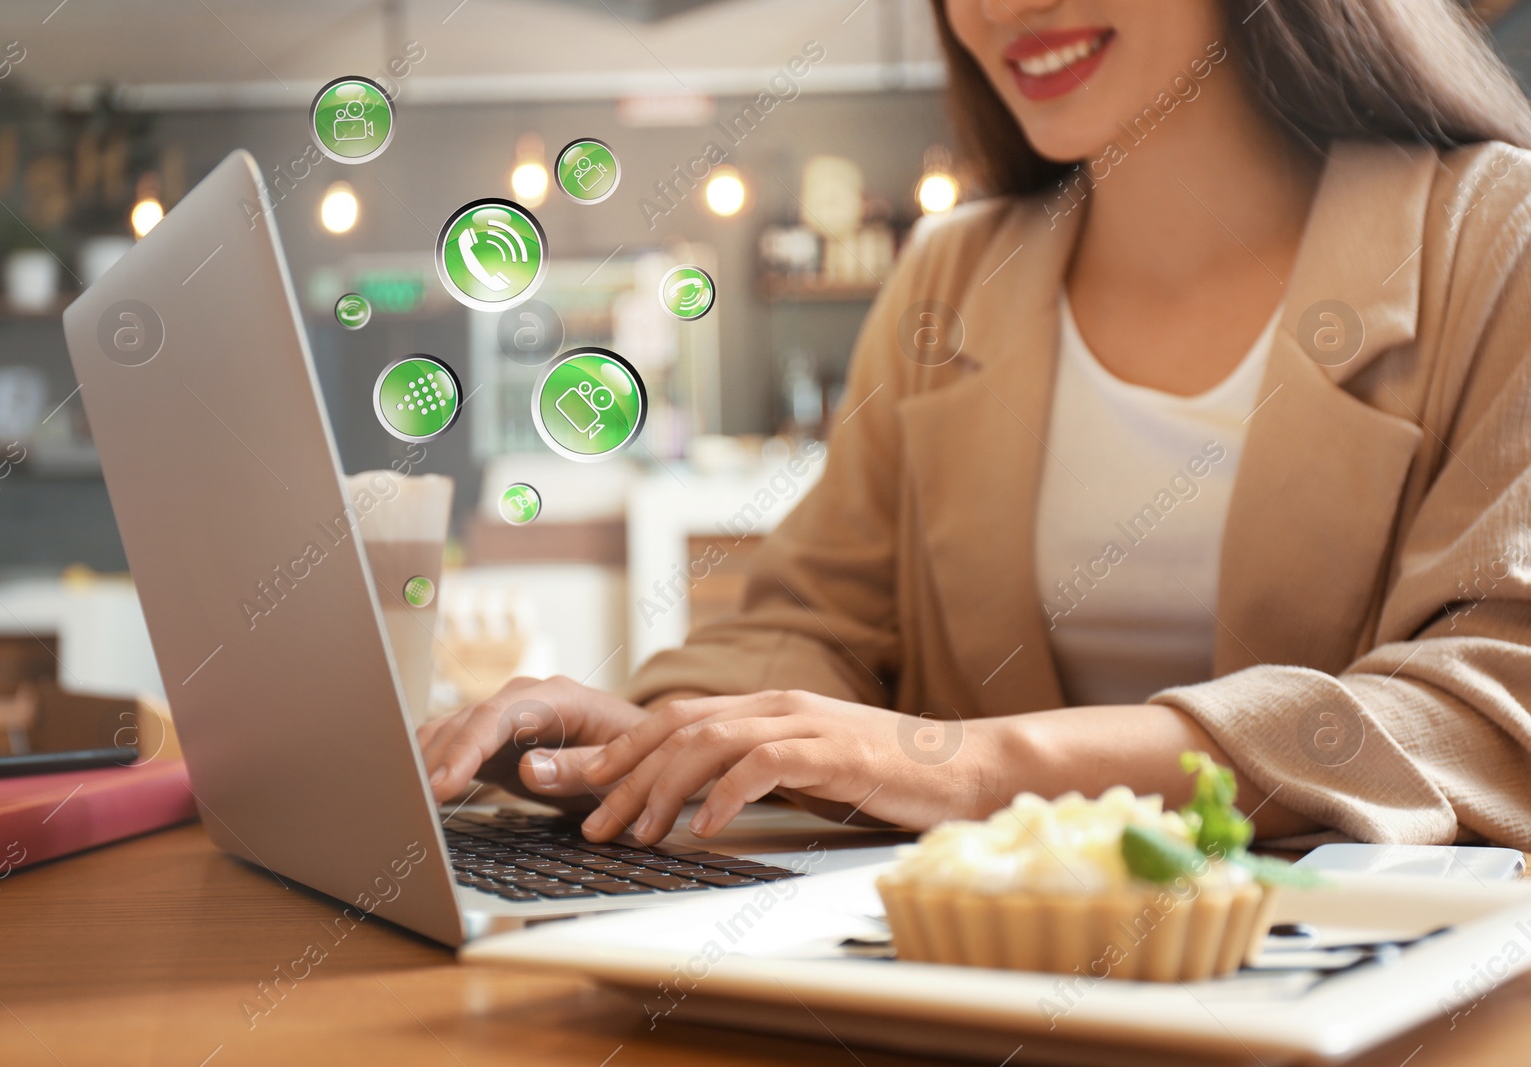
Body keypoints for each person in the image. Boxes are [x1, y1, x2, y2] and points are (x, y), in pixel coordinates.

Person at [422, 0, 1531, 851]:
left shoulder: (1496, 240)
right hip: (977, 985)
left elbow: (1493, 708)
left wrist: (975, 764)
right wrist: (644, 738)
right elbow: (813, 622)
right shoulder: (951, 278)